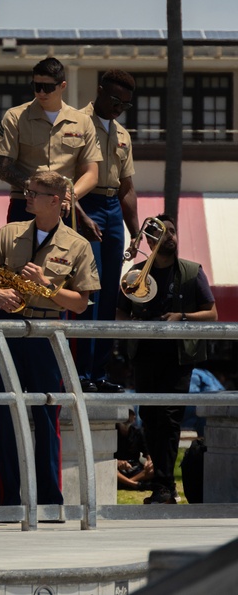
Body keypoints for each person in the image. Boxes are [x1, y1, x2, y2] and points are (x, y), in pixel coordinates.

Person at [0, 170, 100, 507]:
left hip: (47, 333)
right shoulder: (10, 232)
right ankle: (10, 503)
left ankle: (49, 502)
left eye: (35, 192)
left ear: (55, 201)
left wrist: (47, 285)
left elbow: (82, 303)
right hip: (8, 329)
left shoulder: (78, 244)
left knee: (46, 415)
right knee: (5, 414)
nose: (27, 196)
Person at [116, 214, 217, 504]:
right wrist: (133, 325)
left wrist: (181, 317)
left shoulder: (191, 271)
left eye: (172, 231)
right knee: (149, 417)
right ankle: (162, 484)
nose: (169, 237)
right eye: (161, 233)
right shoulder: (135, 273)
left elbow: (212, 313)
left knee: (170, 419)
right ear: (148, 240)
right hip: (146, 355)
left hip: (178, 357)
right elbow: (119, 313)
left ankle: (164, 484)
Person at [73, 69, 140, 393]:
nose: (118, 107)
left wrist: (136, 230)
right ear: (99, 91)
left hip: (113, 210)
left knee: (110, 294)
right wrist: (81, 215)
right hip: (84, 206)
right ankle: (80, 373)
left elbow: (127, 188)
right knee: (90, 292)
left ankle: (98, 374)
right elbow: (65, 178)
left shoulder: (123, 134)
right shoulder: (75, 123)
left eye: (125, 104)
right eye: (114, 99)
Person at [0, 57, 101, 223]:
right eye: (36, 86)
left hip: (62, 206)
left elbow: (91, 174)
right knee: (21, 249)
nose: (41, 92)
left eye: (48, 87)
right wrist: (39, 190)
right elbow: (5, 169)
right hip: (25, 203)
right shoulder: (15, 117)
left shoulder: (83, 121)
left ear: (62, 86)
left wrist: (70, 196)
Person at [115, 408, 154, 491]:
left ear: (134, 417)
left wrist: (149, 462)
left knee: (154, 469)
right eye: (123, 414)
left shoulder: (138, 432)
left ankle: (127, 483)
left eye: (130, 414)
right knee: (109, 469)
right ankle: (133, 484)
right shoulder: (112, 432)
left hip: (134, 467)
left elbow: (147, 453)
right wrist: (118, 462)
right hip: (117, 467)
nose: (126, 417)